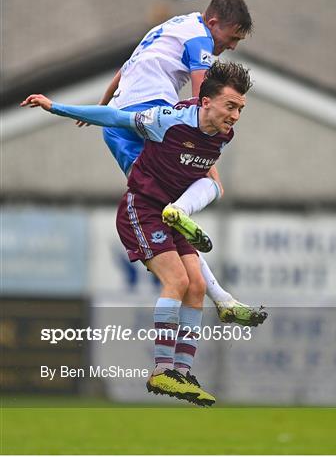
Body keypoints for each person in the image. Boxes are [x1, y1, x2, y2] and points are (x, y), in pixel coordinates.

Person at [21, 61, 267, 406]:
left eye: (241, 108)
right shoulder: (167, 120)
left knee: (196, 285)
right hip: (143, 208)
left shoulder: (224, 135)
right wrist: (55, 106)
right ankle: (161, 370)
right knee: (178, 282)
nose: (236, 115)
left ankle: (180, 373)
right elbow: (116, 119)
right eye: (231, 106)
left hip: (169, 212)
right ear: (205, 102)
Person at [77, 0, 259, 326]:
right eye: (231, 37)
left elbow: (125, 70)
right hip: (148, 116)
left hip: (122, 119)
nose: (231, 45)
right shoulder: (201, 40)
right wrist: (206, 157)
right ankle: (222, 298)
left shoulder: (174, 26)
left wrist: (103, 108)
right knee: (191, 189)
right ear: (214, 23)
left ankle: (220, 296)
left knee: (167, 202)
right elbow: (204, 102)